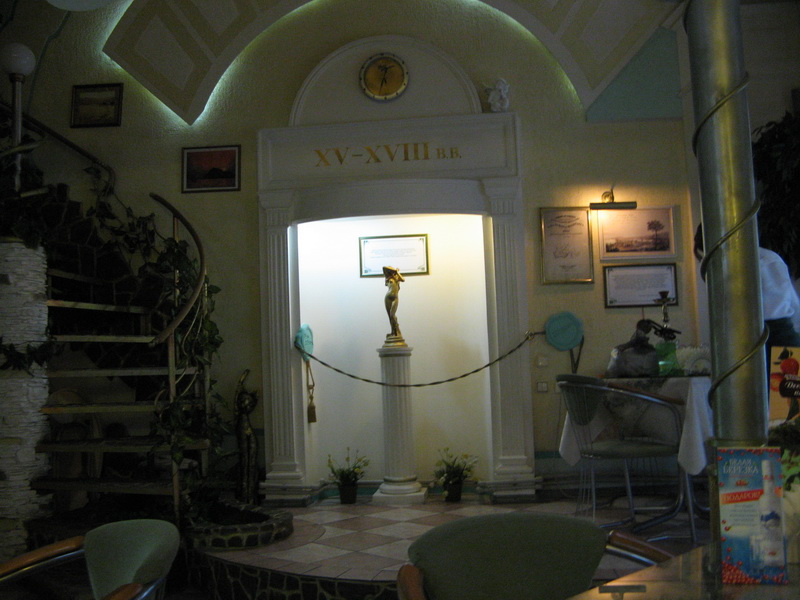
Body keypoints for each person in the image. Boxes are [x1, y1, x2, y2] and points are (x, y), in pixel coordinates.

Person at [383, 265, 405, 339]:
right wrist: (393, 272)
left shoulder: (397, 278)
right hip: (388, 297)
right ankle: (393, 331)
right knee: (390, 316)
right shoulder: (388, 279)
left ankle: (397, 330)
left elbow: (403, 279)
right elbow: (384, 268)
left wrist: (397, 272)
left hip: (395, 298)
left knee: (392, 315)